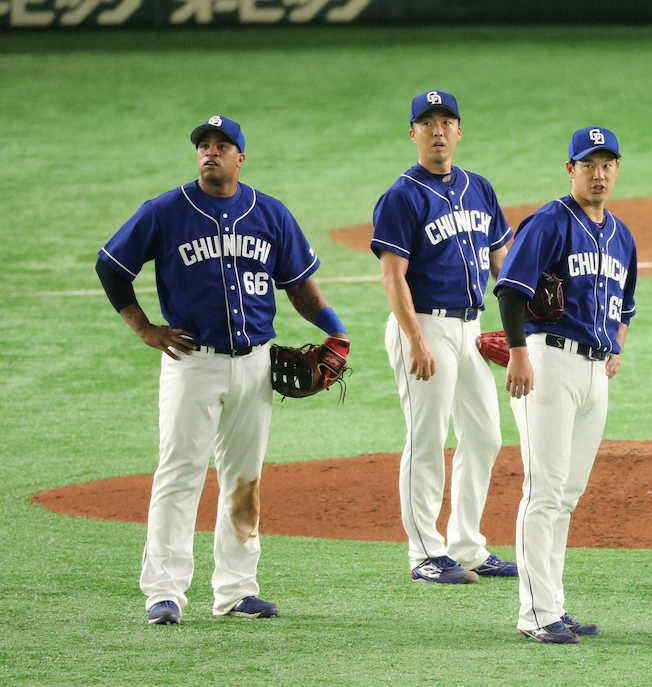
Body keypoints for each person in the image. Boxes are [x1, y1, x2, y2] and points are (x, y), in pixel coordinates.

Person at [96, 115, 349, 625]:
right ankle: (163, 593)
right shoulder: (165, 212)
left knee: (244, 479)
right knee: (179, 474)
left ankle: (236, 591)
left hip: (256, 364)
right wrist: (145, 328)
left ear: (240, 157)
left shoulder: (270, 213)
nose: (210, 153)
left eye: (221, 146)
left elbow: (299, 286)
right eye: (204, 146)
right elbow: (111, 266)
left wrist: (336, 331)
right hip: (192, 364)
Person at [494, 126, 637, 644]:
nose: (598, 174)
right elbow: (510, 291)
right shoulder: (549, 222)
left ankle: (553, 605)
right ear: (570, 169)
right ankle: (536, 614)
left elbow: (626, 303)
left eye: (607, 164)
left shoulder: (622, 235)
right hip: (547, 363)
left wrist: (615, 345)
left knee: (567, 494)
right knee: (545, 490)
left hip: (594, 372)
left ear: (616, 169)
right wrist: (518, 353)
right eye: (588, 165)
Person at [371, 90, 517, 584]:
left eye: (446, 121)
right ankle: (424, 553)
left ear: (459, 131)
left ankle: (467, 545)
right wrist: (415, 338)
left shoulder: (480, 188)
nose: (437, 130)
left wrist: (527, 321)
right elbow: (393, 277)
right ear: (412, 133)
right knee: (427, 438)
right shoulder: (401, 196)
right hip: (425, 326)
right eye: (427, 122)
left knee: (484, 435)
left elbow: (504, 263)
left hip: (470, 328)